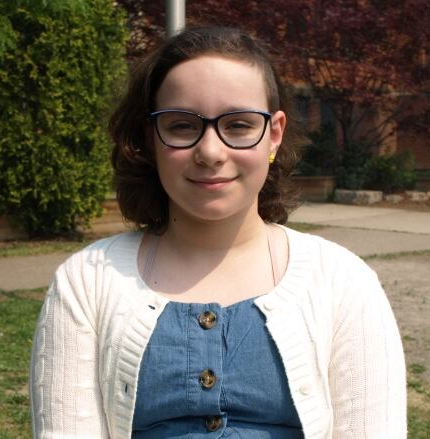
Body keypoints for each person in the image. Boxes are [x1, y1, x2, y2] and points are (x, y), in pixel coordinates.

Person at [30, 26, 406, 438]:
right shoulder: (86, 282)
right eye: (181, 126)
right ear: (149, 138)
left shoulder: (343, 282)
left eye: (240, 125)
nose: (210, 152)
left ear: (274, 136)